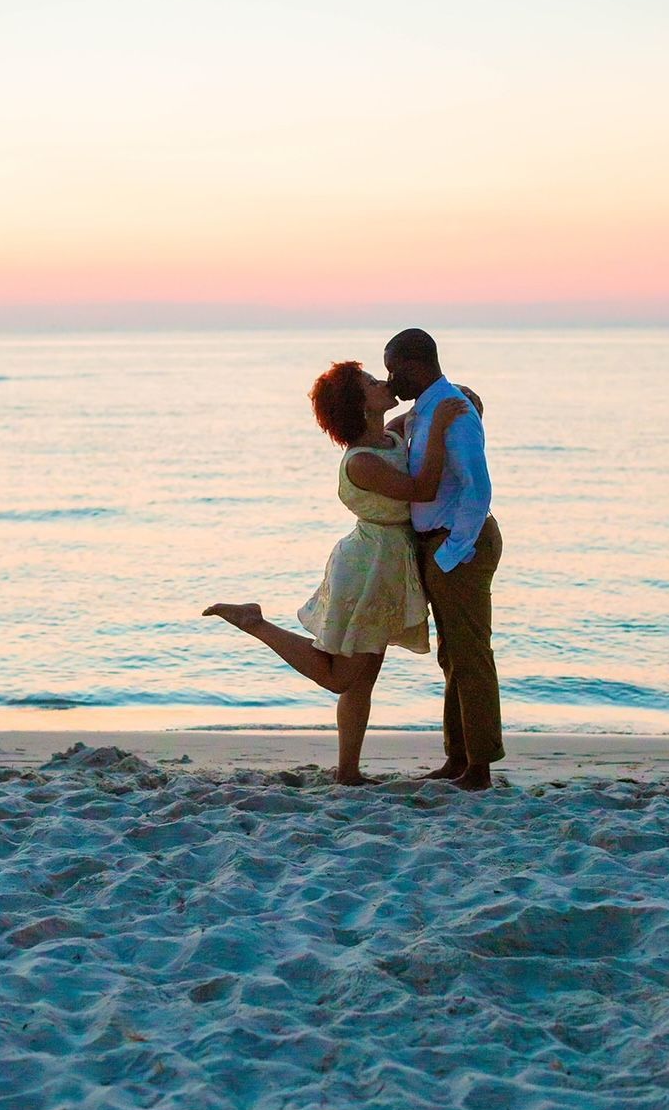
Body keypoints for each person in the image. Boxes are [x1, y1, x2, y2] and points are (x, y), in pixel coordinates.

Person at [202, 361, 466, 784]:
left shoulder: (387, 436)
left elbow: (409, 420)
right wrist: (436, 430)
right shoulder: (361, 462)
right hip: (368, 569)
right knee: (340, 677)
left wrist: (448, 405)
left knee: (363, 679)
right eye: (370, 383)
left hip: (386, 566)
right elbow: (422, 490)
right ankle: (255, 622)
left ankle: (347, 773)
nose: (383, 382)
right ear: (360, 406)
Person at [384, 328, 504, 791]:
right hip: (439, 543)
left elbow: (477, 487)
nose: (391, 379)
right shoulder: (426, 411)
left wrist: (454, 552)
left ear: (416, 365)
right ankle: (458, 758)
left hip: (459, 544)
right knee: (452, 656)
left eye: (395, 369)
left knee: (471, 657)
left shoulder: (453, 412)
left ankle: (479, 767)